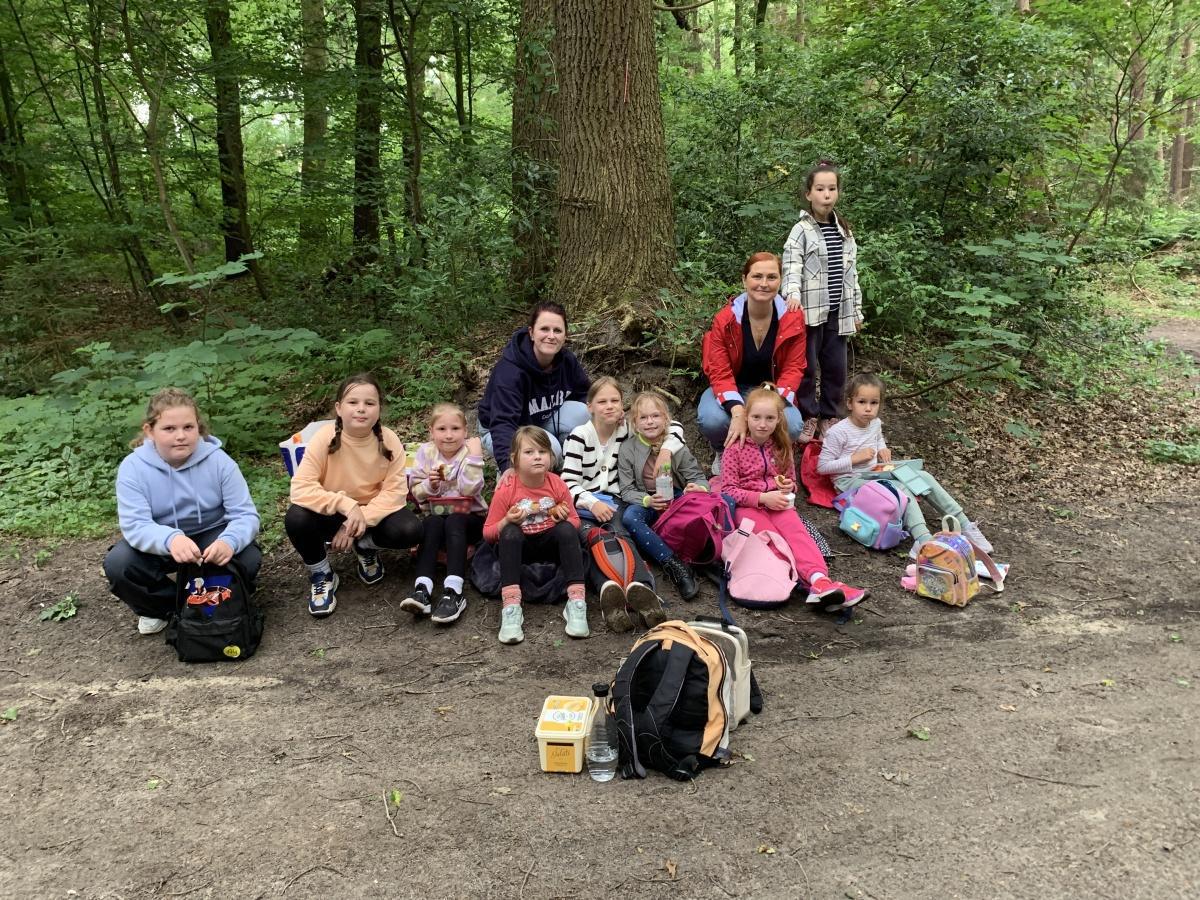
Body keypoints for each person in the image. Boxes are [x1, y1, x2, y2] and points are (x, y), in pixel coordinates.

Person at [104, 388, 261, 635]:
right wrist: (170, 538)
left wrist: (228, 541)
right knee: (119, 565)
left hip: (211, 535)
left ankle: (212, 603)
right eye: (169, 429)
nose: (181, 436)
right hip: (163, 541)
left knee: (248, 558)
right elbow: (135, 525)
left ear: (198, 428)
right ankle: (166, 608)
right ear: (149, 431)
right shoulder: (133, 468)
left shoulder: (220, 462)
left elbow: (245, 515)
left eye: (188, 427)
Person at [284, 373, 422, 617]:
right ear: (339, 408)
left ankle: (364, 544)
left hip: (372, 515)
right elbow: (300, 487)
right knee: (296, 517)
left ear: (379, 409)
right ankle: (321, 572)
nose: (361, 409)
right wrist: (346, 506)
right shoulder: (324, 438)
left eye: (369, 403)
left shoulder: (389, 440)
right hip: (333, 512)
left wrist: (355, 523)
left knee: (411, 530)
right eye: (353, 403)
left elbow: (395, 492)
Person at [720, 386, 868, 611]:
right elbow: (728, 490)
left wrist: (788, 487)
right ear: (746, 417)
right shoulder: (735, 448)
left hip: (778, 504)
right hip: (748, 507)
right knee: (773, 539)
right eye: (756, 417)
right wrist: (762, 498)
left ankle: (820, 582)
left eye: (769, 418)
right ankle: (802, 584)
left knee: (797, 534)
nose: (762, 424)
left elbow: (791, 483)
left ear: (778, 419)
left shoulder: (782, 446)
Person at [817, 374, 994, 556]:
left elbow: (877, 440)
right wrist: (854, 459)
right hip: (849, 481)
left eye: (874, 403)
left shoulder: (875, 423)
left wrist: (882, 449)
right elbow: (822, 467)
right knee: (901, 488)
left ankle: (964, 524)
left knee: (923, 477)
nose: (868, 409)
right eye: (862, 402)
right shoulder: (838, 432)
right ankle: (923, 541)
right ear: (849, 403)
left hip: (874, 473)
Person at [561, 377, 682, 632]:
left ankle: (642, 588)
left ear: (622, 405)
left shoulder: (626, 429)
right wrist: (591, 503)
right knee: (593, 538)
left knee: (622, 535)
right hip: (584, 504)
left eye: (615, 401)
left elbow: (675, 428)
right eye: (602, 401)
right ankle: (608, 590)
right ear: (589, 406)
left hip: (615, 500)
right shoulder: (579, 436)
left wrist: (666, 451)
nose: (609, 406)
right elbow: (567, 482)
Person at [699, 252, 807, 467]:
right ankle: (724, 451)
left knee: (793, 425)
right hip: (733, 387)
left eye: (771, 277)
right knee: (712, 420)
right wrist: (739, 411)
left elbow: (794, 368)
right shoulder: (725, 319)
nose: (764, 284)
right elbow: (719, 371)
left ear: (781, 280)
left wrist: (768, 405)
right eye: (757, 276)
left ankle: (765, 457)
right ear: (744, 279)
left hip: (772, 391)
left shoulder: (793, 318)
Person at [782, 160, 864, 442]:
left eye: (831, 188)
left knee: (836, 368)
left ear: (837, 192)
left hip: (837, 312)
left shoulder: (845, 231)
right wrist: (792, 294)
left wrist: (856, 311)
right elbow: (791, 265)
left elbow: (851, 274)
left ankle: (830, 416)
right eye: (820, 189)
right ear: (809, 194)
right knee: (805, 367)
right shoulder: (801, 230)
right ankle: (808, 416)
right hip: (808, 312)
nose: (826, 194)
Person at [483, 426, 588, 645]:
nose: (537, 457)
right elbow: (488, 533)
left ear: (551, 456)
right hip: (520, 549)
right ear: (515, 459)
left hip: (549, 545)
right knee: (509, 532)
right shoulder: (507, 489)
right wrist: (507, 521)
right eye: (529, 452)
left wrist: (562, 517)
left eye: (542, 452)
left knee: (567, 529)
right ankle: (511, 607)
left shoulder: (556, 483)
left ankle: (576, 602)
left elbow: (576, 522)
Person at [477, 301, 591, 473]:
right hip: (500, 428)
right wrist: (509, 466)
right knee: (550, 450)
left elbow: (584, 394)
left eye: (557, 330)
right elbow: (502, 423)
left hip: (542, 418)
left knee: (585, 412)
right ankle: (522, 478)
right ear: (531, 332)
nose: (551, 336)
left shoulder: (567, 361)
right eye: (544, 329)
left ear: (565, 335)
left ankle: (568, 470)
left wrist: (607, 415)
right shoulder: (510, 371)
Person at [401, 403, 488, 626]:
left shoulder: (470, 453)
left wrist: (476, 458)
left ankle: (454, 590)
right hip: (439, 517)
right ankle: (423, 588)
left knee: (455, 520)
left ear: (465, 431)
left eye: (455, 429)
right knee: (432, 522)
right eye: (441, 429)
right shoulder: (426, 452)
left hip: (470, 520)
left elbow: (470, 490)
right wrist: (430, 485)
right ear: (431, 432)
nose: (449, 436)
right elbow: (417, 494)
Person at [618, 392, 710, 602]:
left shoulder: (675, 445)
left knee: (701, 507)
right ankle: (674, 564)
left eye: (655, 416)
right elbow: (626, 489)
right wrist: (647, 501)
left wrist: (698, 488)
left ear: (666, 419)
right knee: (630, 517)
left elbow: (698, 477)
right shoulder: (627, 448)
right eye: (643, 417)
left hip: (676, 495)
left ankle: (705, 558)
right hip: (647, 498)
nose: (650, 422)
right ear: (634, 423)